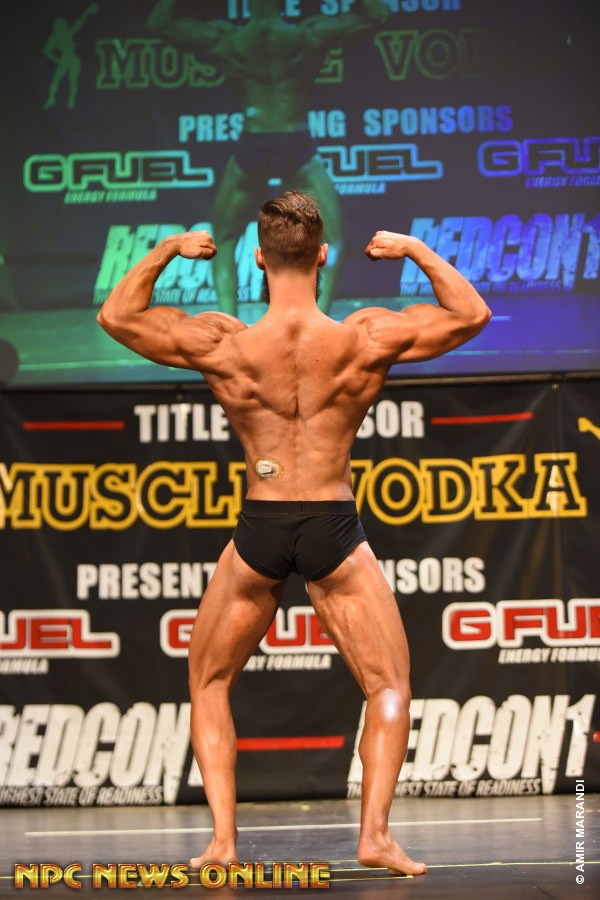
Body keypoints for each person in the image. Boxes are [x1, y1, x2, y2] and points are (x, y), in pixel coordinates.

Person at [97, 191, 491, 876]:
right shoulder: (364, 338)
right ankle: (374, 836)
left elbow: (117, 316)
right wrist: (416, 250)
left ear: (256, 258)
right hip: (333, 525)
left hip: (263, 523)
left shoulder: (225, 344)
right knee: (388, 685)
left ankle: (223, 843)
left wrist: (166, 250)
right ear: (323, 255)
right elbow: (471, 314)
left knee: (208, 682)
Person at [147, 0, 389, 316]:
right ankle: (318, 323)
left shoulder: (227, 39)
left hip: (254, 142)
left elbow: (158, 23)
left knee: (223, 241)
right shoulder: (308, 35)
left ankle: (229, 324)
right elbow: (377, 15)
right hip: (294, 142)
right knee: (334, 241)